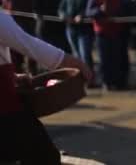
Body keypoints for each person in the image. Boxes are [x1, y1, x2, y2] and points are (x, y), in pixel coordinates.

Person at [0, 10, 92, 165]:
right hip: (5, 110)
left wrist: (13, 77)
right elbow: (31, 45)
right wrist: (77, 64)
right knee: (44, 157)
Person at [87, 0, 128, 90]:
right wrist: (100, 10)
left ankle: (115, 81)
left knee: (115, 58)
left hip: (115, 32)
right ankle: (106, 81)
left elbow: (122, 11)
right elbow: (89, 12)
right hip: (101, 32)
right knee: (104, 59)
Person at [58, 0, 95, 77]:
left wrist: (82, 16)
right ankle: (79, 77)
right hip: (71, 29)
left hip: (85, 30)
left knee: (85, 55)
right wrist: (65, 17)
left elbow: (91, 9)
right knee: (76, 55)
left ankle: (89, 77)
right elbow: (61, 9)